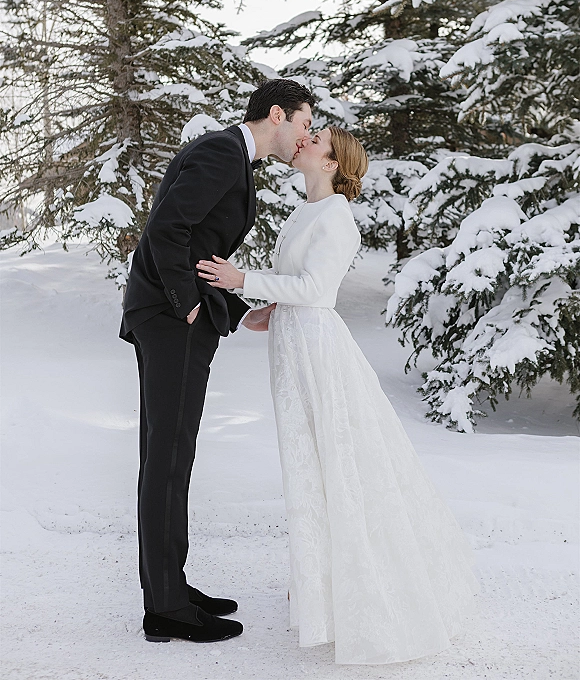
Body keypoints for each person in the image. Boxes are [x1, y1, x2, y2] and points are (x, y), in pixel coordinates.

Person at [197, 126, 479, 664]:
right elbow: (297, 286)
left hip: (317, 351)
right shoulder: (304, 211)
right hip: (293, 342)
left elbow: (317, 292)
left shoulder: (337, 217)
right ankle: (321, 589)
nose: (302, 140)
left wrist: (241, 280)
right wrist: (269, 309)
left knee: (336, 463)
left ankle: (364, 594)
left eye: (317, 139)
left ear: (331, 163)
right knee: (308, 467)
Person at [120, 79, 314, 644]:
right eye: (304, 122)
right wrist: (185, 305)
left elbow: (196, 241)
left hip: (166, 314)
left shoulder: (228, 153)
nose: (305, 135)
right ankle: (166, 609)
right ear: (276, 114)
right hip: (169, 319)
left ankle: (168, 588)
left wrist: (233, 304)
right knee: (169, 457)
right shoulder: (222, 152)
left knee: (166, 455)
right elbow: (166, 227)